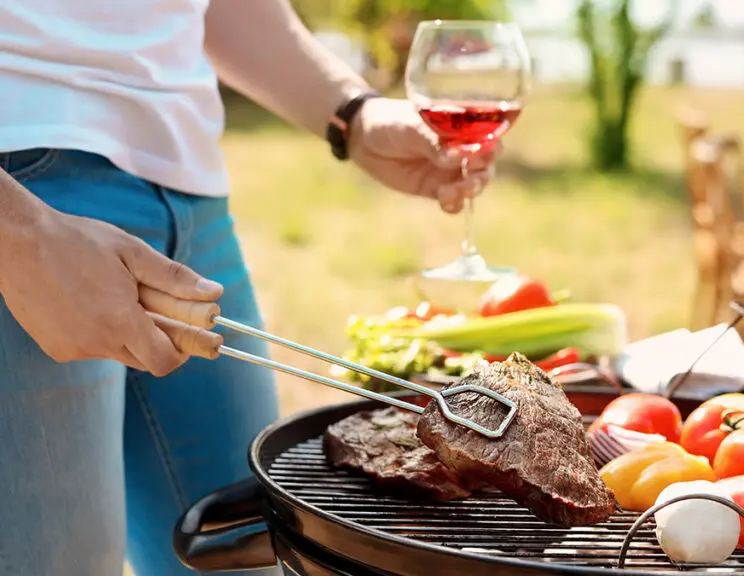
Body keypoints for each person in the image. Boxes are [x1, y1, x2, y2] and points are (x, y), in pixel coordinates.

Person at [0, 1, 496, 575]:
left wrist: (353, 115)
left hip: (189, 194)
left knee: (249, 556)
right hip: (26, 200)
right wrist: (21, 236)